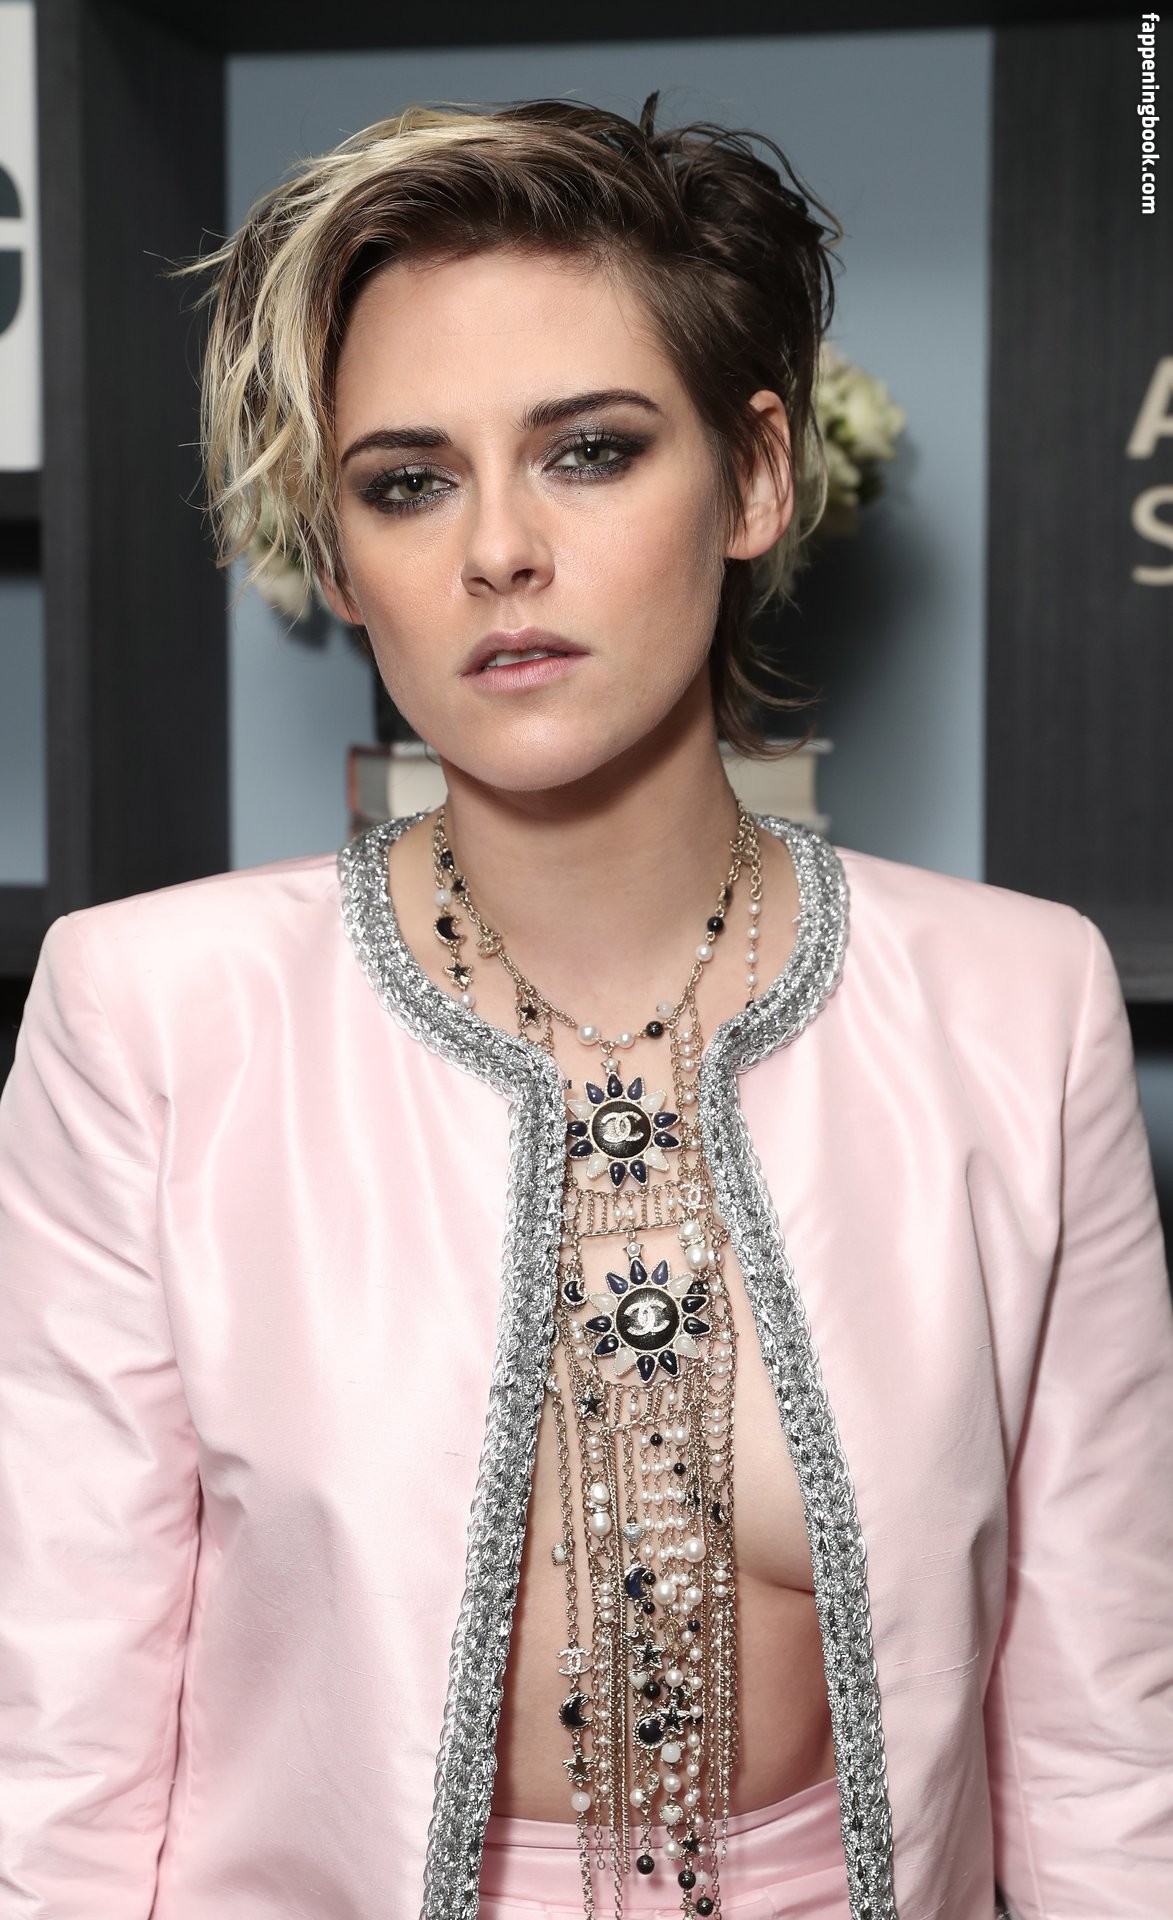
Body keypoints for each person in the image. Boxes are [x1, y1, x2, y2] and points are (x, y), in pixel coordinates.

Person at [0, 93, 1170, 1920]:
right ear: (339, 553)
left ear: (756, 476)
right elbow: (58, 1745)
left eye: (590, 452)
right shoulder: (149, 1016)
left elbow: (1105, 1748)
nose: (497, 553)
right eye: (407, 482)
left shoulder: (1018, 1009)